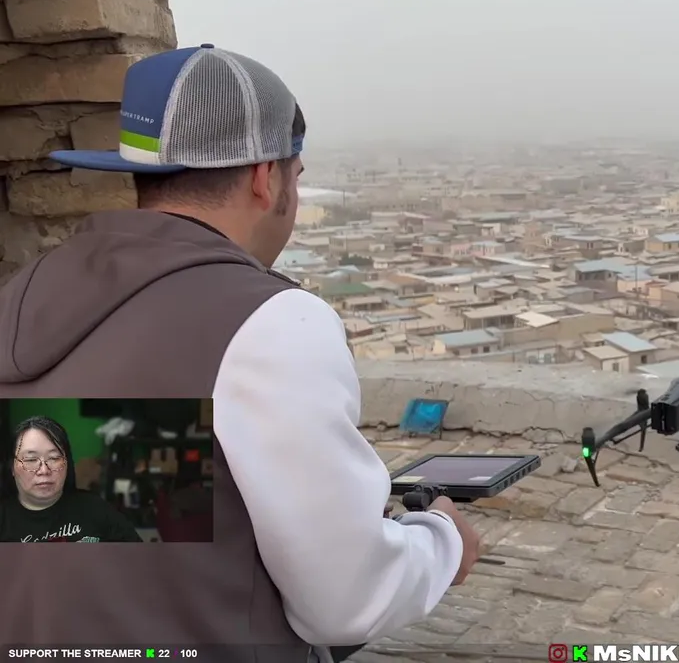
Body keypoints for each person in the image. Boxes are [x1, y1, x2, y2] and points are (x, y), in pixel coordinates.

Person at [0, 45, 480, 662]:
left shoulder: (22, 295)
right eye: (296, 177)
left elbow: (120, 525)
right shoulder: (265, 321)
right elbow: (346, 599)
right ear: (265, 177)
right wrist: (441, 540)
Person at [0, 416, 143, 543]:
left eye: (54, 458)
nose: (44, 470)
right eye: (31, 460)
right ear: (12, 467)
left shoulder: (96, 509)